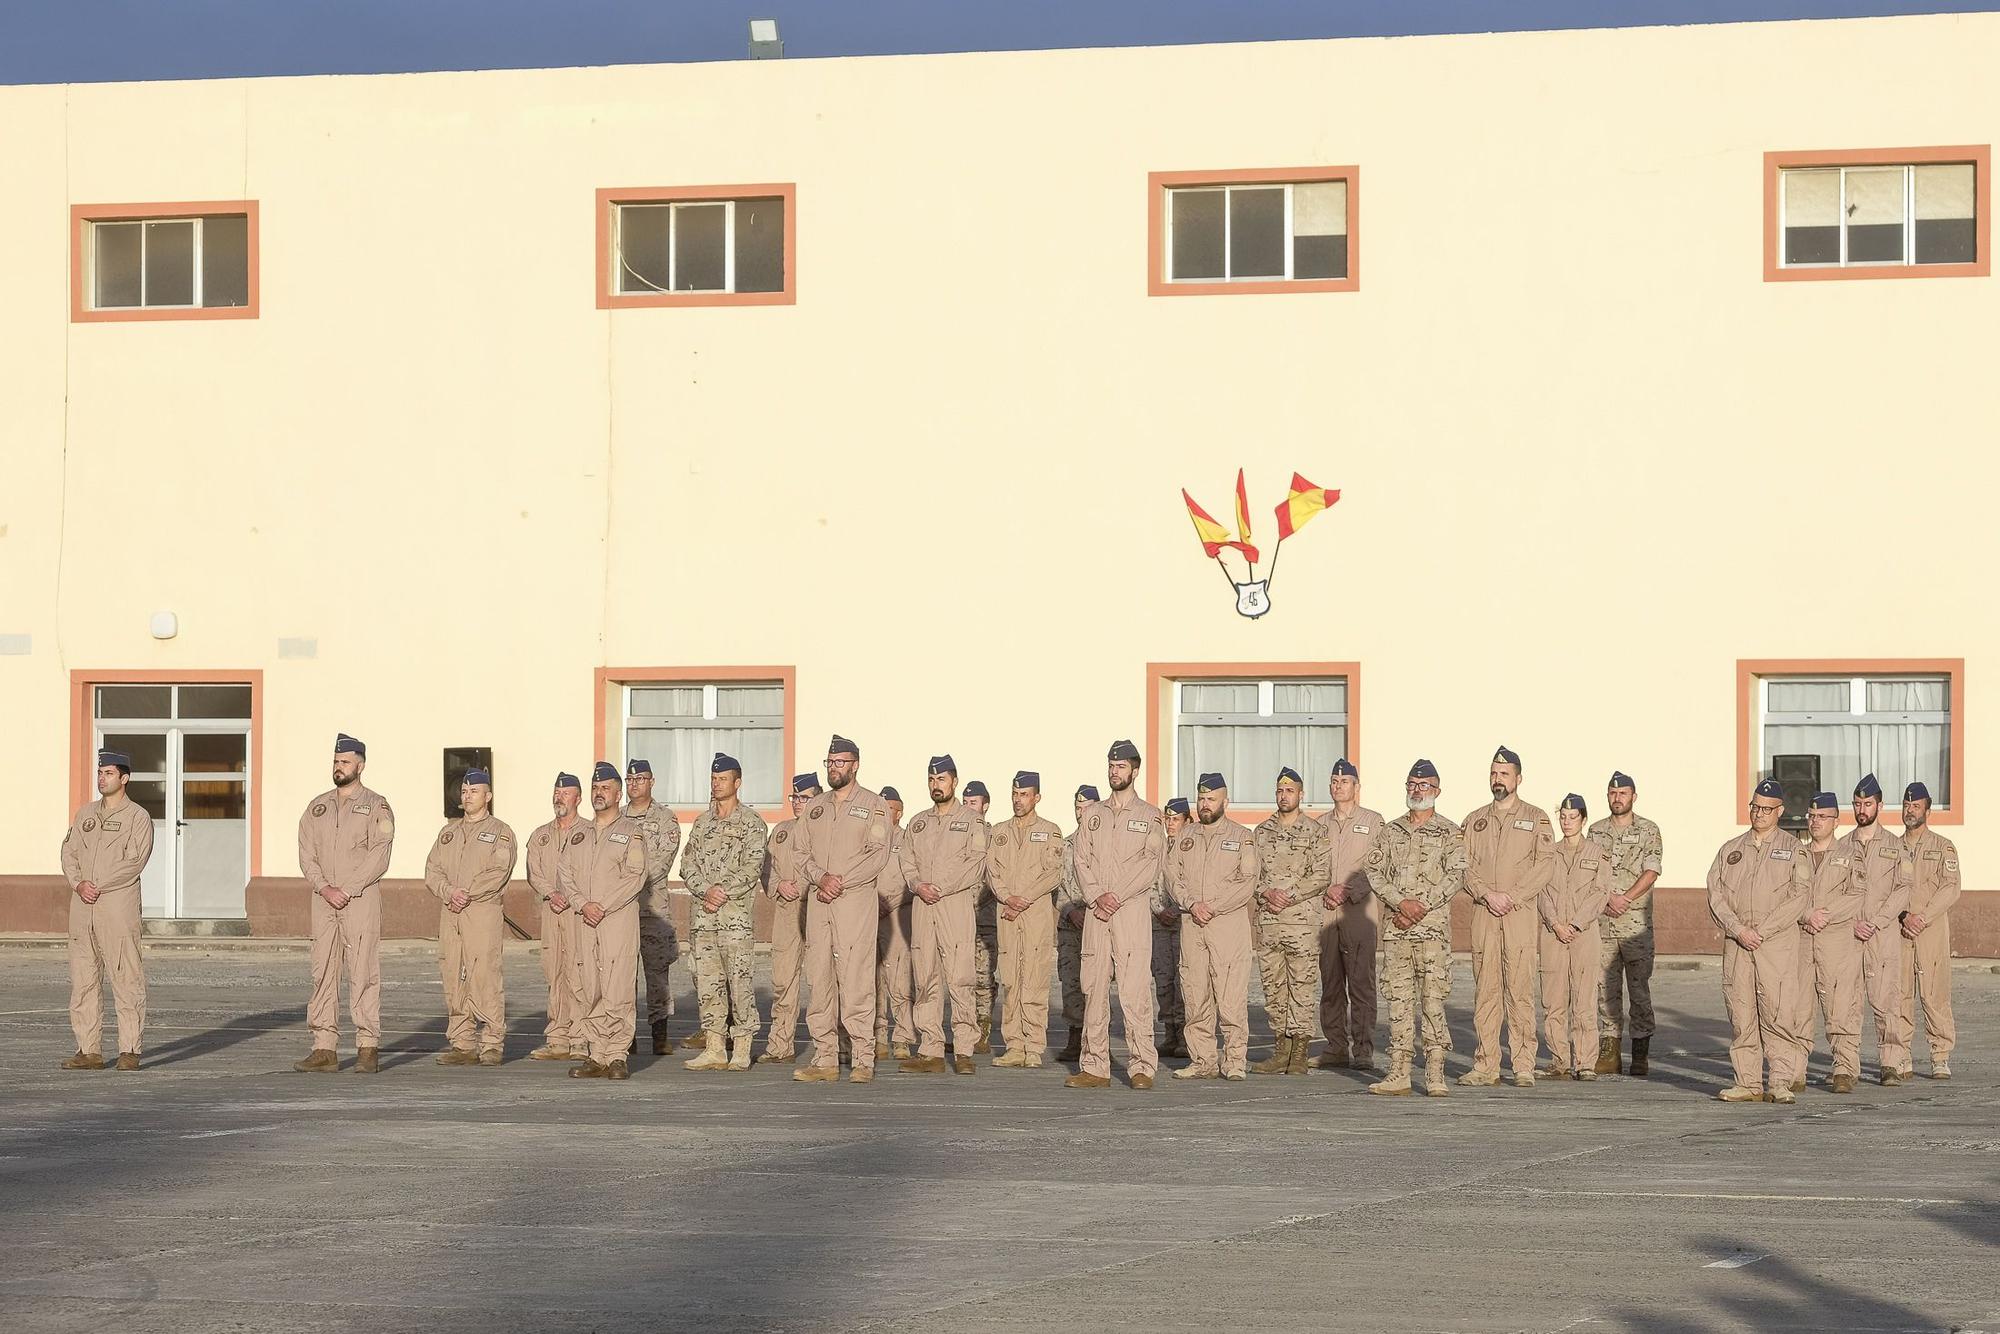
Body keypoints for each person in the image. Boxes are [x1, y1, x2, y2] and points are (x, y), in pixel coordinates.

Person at [793, 735, 895, 1084]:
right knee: (819, 978)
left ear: (855, 765)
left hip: (854, 902)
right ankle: (824, 1058)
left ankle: (863, 1058)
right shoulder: (815, 807)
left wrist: (840, 881)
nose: (834, 768)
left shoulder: (875, 805)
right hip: (820, 903)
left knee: (856, 979)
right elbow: (799, 852)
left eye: (840, 762)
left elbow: (878, 854)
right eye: (830, 762)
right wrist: (821, 878)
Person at [1066, 741, 1166, 1091]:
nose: (1114, 772)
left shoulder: (1150, 815)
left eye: (1121, 766)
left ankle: (1142, 1065)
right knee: (1092, 988)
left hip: (1130, 911)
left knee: (1134, 990)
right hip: (1097, 913)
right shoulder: (1093, 815)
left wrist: (1116, 895)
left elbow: (1150, 863)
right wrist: (1096, 896)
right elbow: (1081, 860)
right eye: (1111, 765)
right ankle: (1094, 1066)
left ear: (1134, 771)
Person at [1363, 759, 1464, 1098]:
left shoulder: (1450, 832)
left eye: (1424, 785)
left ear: (1437, 790)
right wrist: (1400, 903)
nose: (1417, 790)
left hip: (1432, 931)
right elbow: (1375, 873)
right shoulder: (1390, 831)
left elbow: (1456, 876)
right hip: (1397, 929)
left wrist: (1420, 906)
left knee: (1433, 1002)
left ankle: (1435, 1073)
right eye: (1412, 784)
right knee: (1398, 1002)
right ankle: (1399, 1072)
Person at [295, 734, 394, 1074]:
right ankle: (324, 1047)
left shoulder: (377, 805)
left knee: (363, 971)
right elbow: (306, 854)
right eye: (336, 762)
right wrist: (324, 887)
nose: (338, 767)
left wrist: (346, 889)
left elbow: (379, 856)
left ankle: (367, 1045)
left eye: (345, 762)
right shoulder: (317, 807)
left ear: (360, 765)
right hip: (324, 901)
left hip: (359, 899)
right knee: (322, 971)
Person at [1707, 778, 1810, 1104]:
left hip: (1774, 944)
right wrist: (1739, 929)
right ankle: (1747, 1081)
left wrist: (1762, 930)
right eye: (1755, 808)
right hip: (1738, 944)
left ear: (1779, 811)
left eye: (1766, 809)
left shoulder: (1794, 850)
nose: (1759, 814)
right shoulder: (1731, 849)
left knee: (1778, 1013)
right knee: (1742, 1014)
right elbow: (1715, 893)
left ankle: (1779, 1081)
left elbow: (1800, 897)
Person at [1459, 745, 1555, 1088]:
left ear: (1518, 778)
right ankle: (1486, 1065)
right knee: (1486, 990)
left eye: (1504, 774)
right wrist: (1486, 894)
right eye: (1493, 773)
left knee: (1519, 990)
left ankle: (1524, 1063)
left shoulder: (1537, 817)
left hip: (1519, 914)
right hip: (1485, 913)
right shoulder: (1474, 820)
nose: (1497, 779)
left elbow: (1545, 865)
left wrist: (1511, 897)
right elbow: (1462, 865)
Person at [58, 749, 154, 1071]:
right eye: (100, 772)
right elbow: (69, 852)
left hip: (116, 905)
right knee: (83, 979)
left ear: (124, 778)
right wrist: (78, 883)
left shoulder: (137, 817)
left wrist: (97, 883)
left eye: (109, 773)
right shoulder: (85, 814)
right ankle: (89, 1050)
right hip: (82, 907)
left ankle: (129, 1049)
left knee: (125, 976)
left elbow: (135, 861)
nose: (102, 778)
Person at [898, 756, 989, 1075]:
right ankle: (931, 1049)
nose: (936, 785)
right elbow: (906, 859)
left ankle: (964, 1049)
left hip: (954, 906)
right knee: (925, 978)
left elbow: (975, 863)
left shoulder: (971, 821)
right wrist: (917, 884)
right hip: (924, 906)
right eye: (932, 780)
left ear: (955, 782)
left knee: (960, 978)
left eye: (942, 780)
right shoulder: (918, 822)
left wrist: (941, 886)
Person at [679, 753, 769, 1072]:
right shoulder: (703, 824)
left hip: (734, 921)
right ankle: (715, 1047)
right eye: (714, 779)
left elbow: (753, 866)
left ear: (737, 783)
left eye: (723, 779)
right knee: (708, 983)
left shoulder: (751, 823)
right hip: (704, 921)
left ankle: (742, 1045)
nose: (716, 784)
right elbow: (687, 863)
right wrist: (706, 890)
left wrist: (721, 892)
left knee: (739, 982)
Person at [1166, 774, 1259, 1081]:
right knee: (1195, 995)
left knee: (1230, 998)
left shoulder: (1241, 836)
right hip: (1193, 925)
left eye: (1211, 799)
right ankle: (1202, 1060)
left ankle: (1234, 1061)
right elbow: (1171, 875)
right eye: (1201, 799)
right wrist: (1192, 904)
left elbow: (1247, 882)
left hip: (1227, 926)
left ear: (1225, 802)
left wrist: (1213, 906)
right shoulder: (1185, 836)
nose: (1205, 805)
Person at [423, 767, 517, 1066]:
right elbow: (432, 869)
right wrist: (448, 891)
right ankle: (463, 1042)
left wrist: (468, 893)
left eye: (474, 791)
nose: (467, 796)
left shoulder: (500, 832)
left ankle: (491, 1042)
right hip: (450, 912)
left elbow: (499, 871)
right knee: (453, 974)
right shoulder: (448, 833)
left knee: (484, 975)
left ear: (487, 796)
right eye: (464, 791)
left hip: (481, 912)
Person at [562, 761, 648, 1080]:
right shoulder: (578, 834)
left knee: (618, 987)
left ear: (618, 793)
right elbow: (565, 873)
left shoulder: (631, 832)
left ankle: (617, 1054)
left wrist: (603, 905)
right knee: (590, 987)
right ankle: (596, 1053)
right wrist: (584, 904)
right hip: (586, 920)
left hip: (616, 921)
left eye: (606, 788)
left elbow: (635, 876)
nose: (600, 793)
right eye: (596, 788)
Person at [1250, 767, 1330, 1075]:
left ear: (1301, 795)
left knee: (1302, 986)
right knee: (1273, 987)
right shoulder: (1261, 833)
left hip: (1301, 923)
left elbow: (1322, 874)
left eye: (1290, 791)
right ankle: (1280, 1049)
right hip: (1269, 922)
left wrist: (1290, 894)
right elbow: (1248, 875)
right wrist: (1266, 892)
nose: (1285, 796)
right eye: (1280, 792)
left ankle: (1300, 1050)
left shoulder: (1315, 831)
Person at [986, 771, 1065, 1067]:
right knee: (1010, 979)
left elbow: (1053, 873)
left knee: (1034, 979)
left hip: (1034, 914)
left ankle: (1033, 1046)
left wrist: (1023, 899)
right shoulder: (999, 831)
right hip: (1007, 913)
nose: (1018, 800)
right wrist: (1008, 897)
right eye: (1015, 794)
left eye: (1024, 795)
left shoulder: (1051, 830)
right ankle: (1014, 1046)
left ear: (1037, 797)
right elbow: (991, 869)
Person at [1837, 774, 1911, 1086]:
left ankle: (1891, 1064)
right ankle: (1844, 1067)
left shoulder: (1896, 847)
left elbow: (1903, 889)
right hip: (1850, 935)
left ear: (1880, 805)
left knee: (1887, 1000)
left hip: (1882, 936)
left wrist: (1877, 921)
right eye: (1857, 804)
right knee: (1846, 1002)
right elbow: (1833, 891)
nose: (1862, 809)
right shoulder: (1841, 847)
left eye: (1867, 804)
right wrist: (1851, 921)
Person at [1589, 771, 1662, 1076]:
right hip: (1604, 922)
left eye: (1623, 793)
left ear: (1634, 796)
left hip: (1634, 926)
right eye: (1612, 793)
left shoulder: (1649, 830)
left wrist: (1625, 899)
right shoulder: (1595, 831)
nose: (1617, 798)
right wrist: (1607, 899)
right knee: (1605, 987)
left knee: (1639, 988)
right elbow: (1589, 872)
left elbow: (1652, 870)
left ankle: (1640, 1050)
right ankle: (1609, 1050)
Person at [1794, 791, 1866, 1093]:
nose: (1815, 822)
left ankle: (1844, 1069)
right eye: (1811, 816)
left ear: (1836, 820)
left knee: (1840, 1006)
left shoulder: (1851, 854)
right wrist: (1806, 914)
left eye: (1822, 817)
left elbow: (1858, 893)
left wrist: (1826, 914)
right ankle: (1794, 1070)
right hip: (1801, 940)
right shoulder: (1796, 853)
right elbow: (1784, 894)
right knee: (1796, 1007)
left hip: (1837, 941)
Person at [1315, 759, 1384, 1070]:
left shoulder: (1373, 822)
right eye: (1333, 781)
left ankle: (1364, 1048)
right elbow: (1312, 866)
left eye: (1344, 782)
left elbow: (1378, 865)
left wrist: (1348, 890)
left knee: (1361, 983)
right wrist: (1327, 888)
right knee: (1330, 981)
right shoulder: (1319, 824)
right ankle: (1336, 1046)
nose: (1337, 786)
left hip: (1358, 910)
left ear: (1357, 787)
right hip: (1326, 911)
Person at [1539, 794, 1610, 1080]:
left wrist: (1577, 924)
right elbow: (1541, 891)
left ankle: (1585, 1063)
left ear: (1583, 819)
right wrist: (1556, 923)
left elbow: (1600, 892)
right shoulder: (1547, 852)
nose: (1567, 822)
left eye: (1573, 817)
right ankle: (1559, 1061)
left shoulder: (1598, 853)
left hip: (1584, 934)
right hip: (1553, 933)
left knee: (1584, 1000)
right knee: (1553, 999)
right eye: (1563, 817)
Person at [1897, 781, 1961, 1080]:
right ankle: (1901, 1055)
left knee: (1935, 992)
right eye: (1907, 806)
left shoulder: (1942, 846)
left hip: (1931, 929)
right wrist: (1904, 917)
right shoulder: (1892, 847)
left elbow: (1951, 888)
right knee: (1899, 994)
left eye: (1916, 806)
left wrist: (1922, 918)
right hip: (1899, 929)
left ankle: (1940, 1055)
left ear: (1927, 810)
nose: (1911, 811)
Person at [525, 773, 589, 1060]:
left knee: (579, 973)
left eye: (565, 793)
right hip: (552, 912)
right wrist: (551, 893)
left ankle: (580, 1038)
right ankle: (557, 1038)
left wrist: (572, 897)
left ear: (578, 798)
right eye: (556, 792)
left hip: (578, 914)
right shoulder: (540, 835)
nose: (559, 797)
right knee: (554, 972)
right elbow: (533, 871)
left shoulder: (589, 832)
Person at [759, 773, 822, 1063]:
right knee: (783, 980)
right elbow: (766, 868)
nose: (798, 802)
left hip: (818, 908)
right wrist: (777, 885)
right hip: (786, 911)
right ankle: (780, 1046)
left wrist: (809, 885)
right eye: (794, 797)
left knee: (823, 981)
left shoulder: (826, 829)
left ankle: (830, 1047)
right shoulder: (781, 831)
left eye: (804, 797)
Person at [622, 759, 684, 1056]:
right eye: (630, 779)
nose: (634, 784)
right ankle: (625, 1035)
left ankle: (660, 1033)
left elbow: (661, 863)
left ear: (652, 782)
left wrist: (623, 884)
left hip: (652, 910)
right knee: (620, 975)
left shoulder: (665, 819)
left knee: (657, 975)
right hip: (620, 912)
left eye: (640, 779)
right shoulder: (617, 818)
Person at [1053, 785, 1096, 1062]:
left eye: (1087, 807)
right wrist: (1069, 911)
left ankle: (1094, 1037)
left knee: (1095, 983)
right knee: (1070, 982)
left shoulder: (1104, 842)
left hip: (1096, 921)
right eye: (1078, 808)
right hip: (1070, 923)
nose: (1081, 813)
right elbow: (1055, 882)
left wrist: (1089, 910)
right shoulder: (1065, 844)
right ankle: (1074, 1034)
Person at [874, 785, 915, 1061]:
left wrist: (889, 901)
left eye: (889, 809)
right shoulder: (870, 839)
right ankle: (877, 1035)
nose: (884, 814)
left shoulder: (908, 840)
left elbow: (912, 878)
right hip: (868, 915)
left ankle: (902, 1036)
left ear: (899, 813)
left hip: (897, 915)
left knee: (900, 979)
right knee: (871, 980)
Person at [1151, 797, 1190, 1059]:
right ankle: (1170, 1032)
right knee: (1163, 979)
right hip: (1159, 924)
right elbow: (1148, 882)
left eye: (1175, 819)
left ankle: (1187, 1034)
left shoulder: (1192, 847)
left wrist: (1178, 910)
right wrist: (1157, 908)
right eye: (1167, 819)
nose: (1170, 824)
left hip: (1184, 922)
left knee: (1185, 980)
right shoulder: (1158, 849)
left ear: (1187, 821)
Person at [963, 779, 1000, 1053]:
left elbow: (996, 876)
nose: (968, 808)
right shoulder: (956, 834)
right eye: (964, 803)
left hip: (984, 916)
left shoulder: (994, 837)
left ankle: (982, 1031)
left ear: (985, 806)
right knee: (960, 976)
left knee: (983, 976)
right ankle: (965, 1029)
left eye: (973, 803)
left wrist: (977, 903)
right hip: (958, 918)